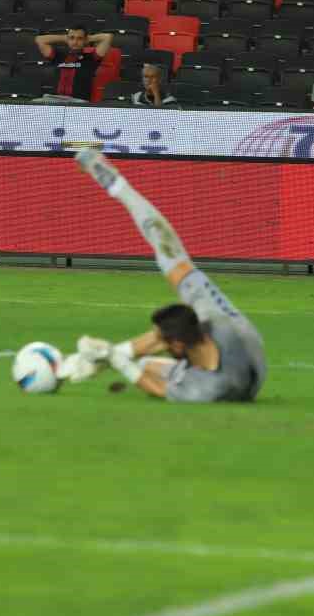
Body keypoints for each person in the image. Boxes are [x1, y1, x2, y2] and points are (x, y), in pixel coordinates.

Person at [57, 147, 265, 404]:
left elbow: (156, 389)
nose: (159, 340)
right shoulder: (215, 318)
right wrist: (118, 187)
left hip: (227, 379)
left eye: (165, 341)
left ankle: (109, 357)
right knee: (169, 252)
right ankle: (115, 183)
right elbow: (167, 244)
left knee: (146, 367)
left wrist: (115, 359)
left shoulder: (209, 388)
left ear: (177, 347)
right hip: (234, 349)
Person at [34, 24, 113, 101]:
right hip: (55, 100)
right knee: (35, 103)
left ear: (85, 40)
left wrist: (88, 38)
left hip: (78, 102)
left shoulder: (91, 58)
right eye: (72, 38)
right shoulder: (58, 56)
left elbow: (107, 37)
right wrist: (64, 38)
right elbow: (40, 39)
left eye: (79, 38)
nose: (75, 42)